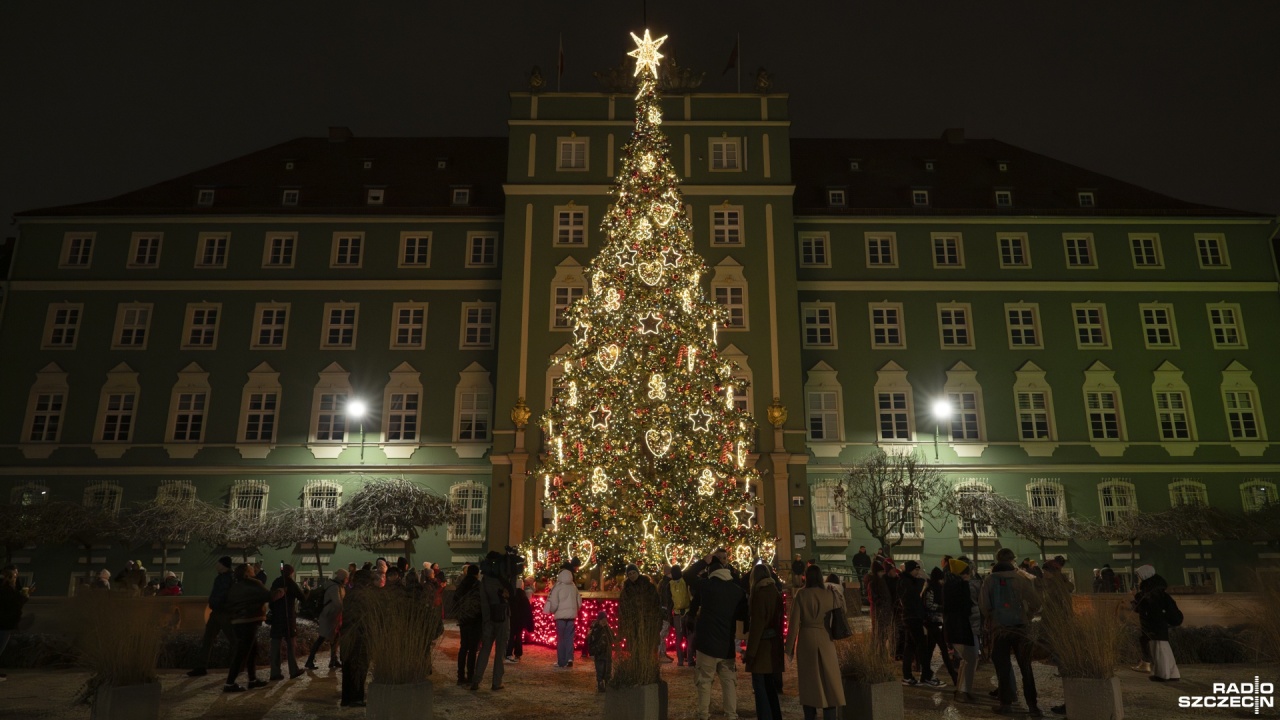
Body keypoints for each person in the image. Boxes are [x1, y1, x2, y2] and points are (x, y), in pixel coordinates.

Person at [683, 550, 748, 720]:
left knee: (704, 682)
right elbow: (743, 615)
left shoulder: (707, 586)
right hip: (726, 645)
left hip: (706, 645)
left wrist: (704, 561)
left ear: (711, 572)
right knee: (729, 683)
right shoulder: (737, 591)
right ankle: (731, 715)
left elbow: (687, 575)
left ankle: (703, 715)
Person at [980, 547, 1043, 717]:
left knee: (1003, 668)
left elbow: (984, 606)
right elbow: (1036, 602)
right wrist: (1027, 615)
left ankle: (1005, 704)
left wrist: (993, 618)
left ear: (998, 559)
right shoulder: (1021, 579)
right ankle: (1033, 706)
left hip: (1000, 629)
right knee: (1026, 668)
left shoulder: (990, 579)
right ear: (1012, 560)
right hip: (1021, 628)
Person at [784, 565, 844, 720]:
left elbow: (794, 624)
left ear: (806, 577)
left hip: (807, 640)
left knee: (809, 682)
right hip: (826, 637)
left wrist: (788, 649)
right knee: (830, 680)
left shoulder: (801, 595)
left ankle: (810, 716)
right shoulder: (830, 594)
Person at [224, 563, 284, 692]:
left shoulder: (235, 585)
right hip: (248, 621)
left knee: (252, 651)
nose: (254, 570)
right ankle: (229, 683)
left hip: (237, 621)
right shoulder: (253, 583)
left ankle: (252, 680)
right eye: (251, 569)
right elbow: (268, 595)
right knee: (242, 653)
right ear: (246, 572)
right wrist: (281, 591)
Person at [744, 563, 784, 720]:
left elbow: (757, 626)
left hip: (762, 647)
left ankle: (765, 716)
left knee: (760, 685)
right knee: (769, 685)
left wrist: (750, 653)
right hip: (773, 644)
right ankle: (775, 715)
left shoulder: (760, 593)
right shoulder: (775, 591)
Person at [470, 550, 511, 691]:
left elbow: (484, 602)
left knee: (485, 649)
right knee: (500, 651)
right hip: (503, 616)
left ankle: (476, 680)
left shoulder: (485, 581)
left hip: (489, 618)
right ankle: (496, 682)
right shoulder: (504, 579)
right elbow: (512, 595)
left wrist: (486, 620)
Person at [188, 556, 235, 677]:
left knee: (230, 640)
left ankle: (236, 664)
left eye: (218, 563)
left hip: (224, 612)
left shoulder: (227, 578)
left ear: (223, 565)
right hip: (219, 612)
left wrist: (215, 603)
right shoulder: (223, 577)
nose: (216, 565)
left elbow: (222, 594)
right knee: (208, 639)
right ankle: (201, 666)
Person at [1133, 564, 1181, 682]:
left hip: (1155, 626)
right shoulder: (1157, 591)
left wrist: (1136, 600)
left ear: (1144, 576)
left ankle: (1162, 674)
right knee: (1164, 649)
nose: (1138, 579)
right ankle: (1173, 673)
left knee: (1159, 651)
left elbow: (1147, 609)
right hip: (1158, 626)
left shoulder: (1152, 593)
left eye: (1139, 576)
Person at [943, 559, 978, 703]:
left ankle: (962, 690)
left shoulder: (949, 585)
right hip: (962, 628)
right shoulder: (960, 586)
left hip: (955, 628)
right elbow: (966, 607)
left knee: (968, 659)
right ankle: (963, 691)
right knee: (970, 658)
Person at [340, 569, 375, 707]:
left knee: (348, 666)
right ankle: (356, 698)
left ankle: (347, 698)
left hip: (347, 634)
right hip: (360, 636)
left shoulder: (351, 593)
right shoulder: (365, 595)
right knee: (359, 666)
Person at [268, 564, 308, 681]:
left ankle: (274, 672)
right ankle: (293, 670)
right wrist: (307, 591)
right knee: (291, 645)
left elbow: (271, 599)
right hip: (288, 618)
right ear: (291, 572)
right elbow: (302, 598)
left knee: (275, 645)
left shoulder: (276, 581)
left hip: (276, 618)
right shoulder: (290, 582)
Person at [305, 568, 346, 670]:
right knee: (322, 638)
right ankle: (310, 661)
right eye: (346, 578)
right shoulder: (334, 587)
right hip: (329, 617)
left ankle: (333, 660)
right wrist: (346, 609)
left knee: (335, 638)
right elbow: (338, 603)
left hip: (333, 617)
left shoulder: (337, 586)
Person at [925, 567, 958, 684]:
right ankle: (953, 675)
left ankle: (926, 673)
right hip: (934, 622)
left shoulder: (934, 588)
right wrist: (942, 608)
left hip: (936, 622)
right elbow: (929, 605)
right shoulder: (932, 589)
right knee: (943, 648)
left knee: (930, 649)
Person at [544, 565, 581, 668]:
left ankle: (561, 661)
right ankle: (569, 658)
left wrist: (552, 611)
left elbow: (554, 603)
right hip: (571, 616)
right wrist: (574, 610)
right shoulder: (573, 587)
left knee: (561, 639)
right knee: (569, 638)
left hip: (560, 617)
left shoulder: (558, 587)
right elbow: (579, 601)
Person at [451, 564, 482, 685]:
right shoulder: (478, 585)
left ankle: (460, 676)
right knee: (473, 649)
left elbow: (455, 601)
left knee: (463, 647)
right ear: (477, 573)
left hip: (464, 620)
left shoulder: (462, 585)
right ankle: (470, 676)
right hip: (475, 619)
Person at [0, 565, 30, 682]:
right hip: (4, 622)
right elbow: (14, 602)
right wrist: (24, 597)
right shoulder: (6, 588)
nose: (17, 576)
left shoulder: (10, 587)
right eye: (15, 574)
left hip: (6, 622)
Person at [505, 571, 534, 664]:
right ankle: (518, 653)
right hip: (520, 620)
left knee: (510, 636)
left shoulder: (511, 596)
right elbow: (527, 610)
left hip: (511, 618)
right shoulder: (523, 596)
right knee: (518, 636)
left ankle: (508, 653)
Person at [667, 564, 693, 665]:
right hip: (687, 611)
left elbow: (669, 601)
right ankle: (690, 659)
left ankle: (680, 660)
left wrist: (670, 615)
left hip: (677, 613)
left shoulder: (669, 584)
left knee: (679, 638)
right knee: (690, 637)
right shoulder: (685, 581)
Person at [588, 610, 614, 692]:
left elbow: (612, 638)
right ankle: (600, 682)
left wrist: (607, 628)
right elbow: (591, 639)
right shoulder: (595, 629)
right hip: (599, 653)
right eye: (602, 620)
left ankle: (607, 682)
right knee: (600, 669)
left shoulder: (607, 629)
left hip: (607, 653)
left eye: (605, 620)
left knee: (607, 669)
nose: (604, 622)